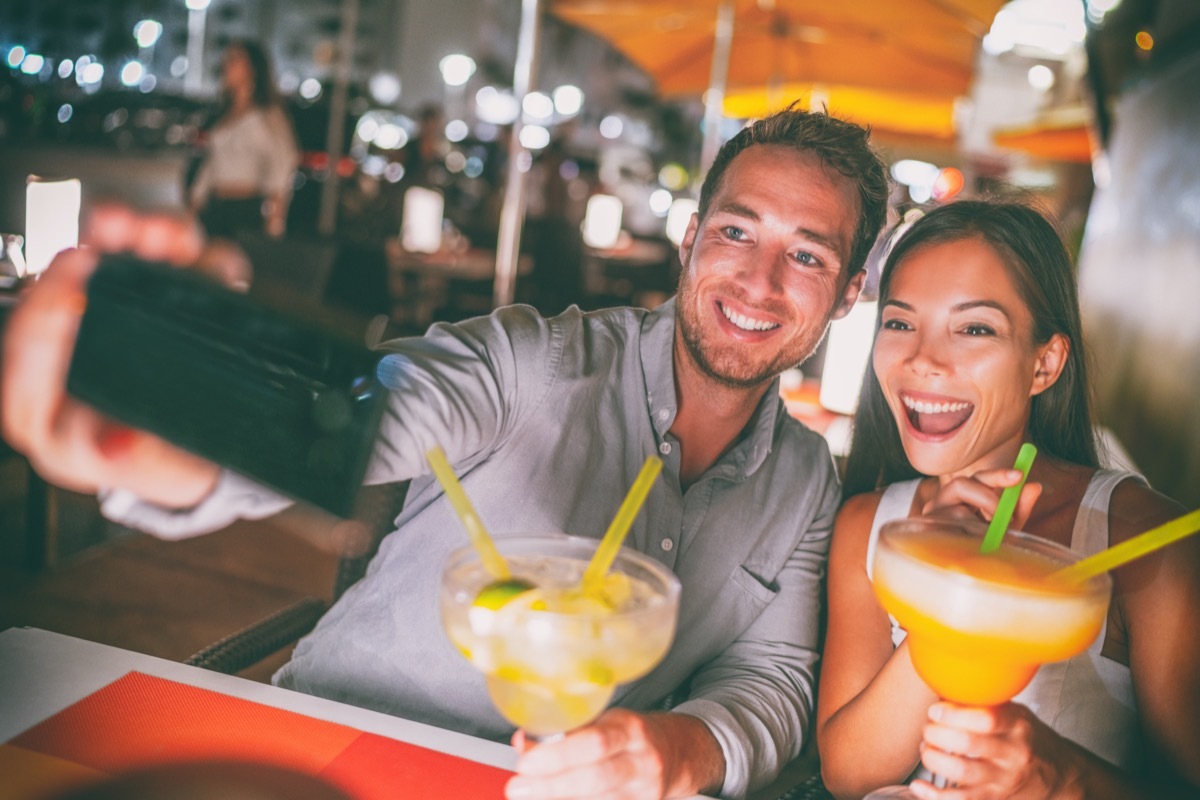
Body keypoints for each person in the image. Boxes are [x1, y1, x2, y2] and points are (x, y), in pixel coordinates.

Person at [0, 106, 889, 800]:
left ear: (847, 294)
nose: (759, 282)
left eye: (806, 256)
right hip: (334, 752)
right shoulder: (529, 363)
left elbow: (769, 677)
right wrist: (176, 427)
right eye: (737, 231)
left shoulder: (807, 481)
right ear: (692, 237)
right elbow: (355, 420)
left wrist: (687, 747)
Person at [816, 199, 1200, 799]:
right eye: (899, 322)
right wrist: (947, 593)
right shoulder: (869, 525)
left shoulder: (1142, 544)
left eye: (974, 328)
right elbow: (849, 773)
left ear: (1044, 364)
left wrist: (1061, 774)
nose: (922, 359)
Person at [189, 40, 299, 240]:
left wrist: (275, 218)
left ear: (253, 68)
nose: (226, 66)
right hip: (214, 206)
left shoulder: (268, 115)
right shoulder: (224, 114)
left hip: (246, 209)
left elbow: (281, 163)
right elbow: (213, 161)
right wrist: (197, 196)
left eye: (234, 60)